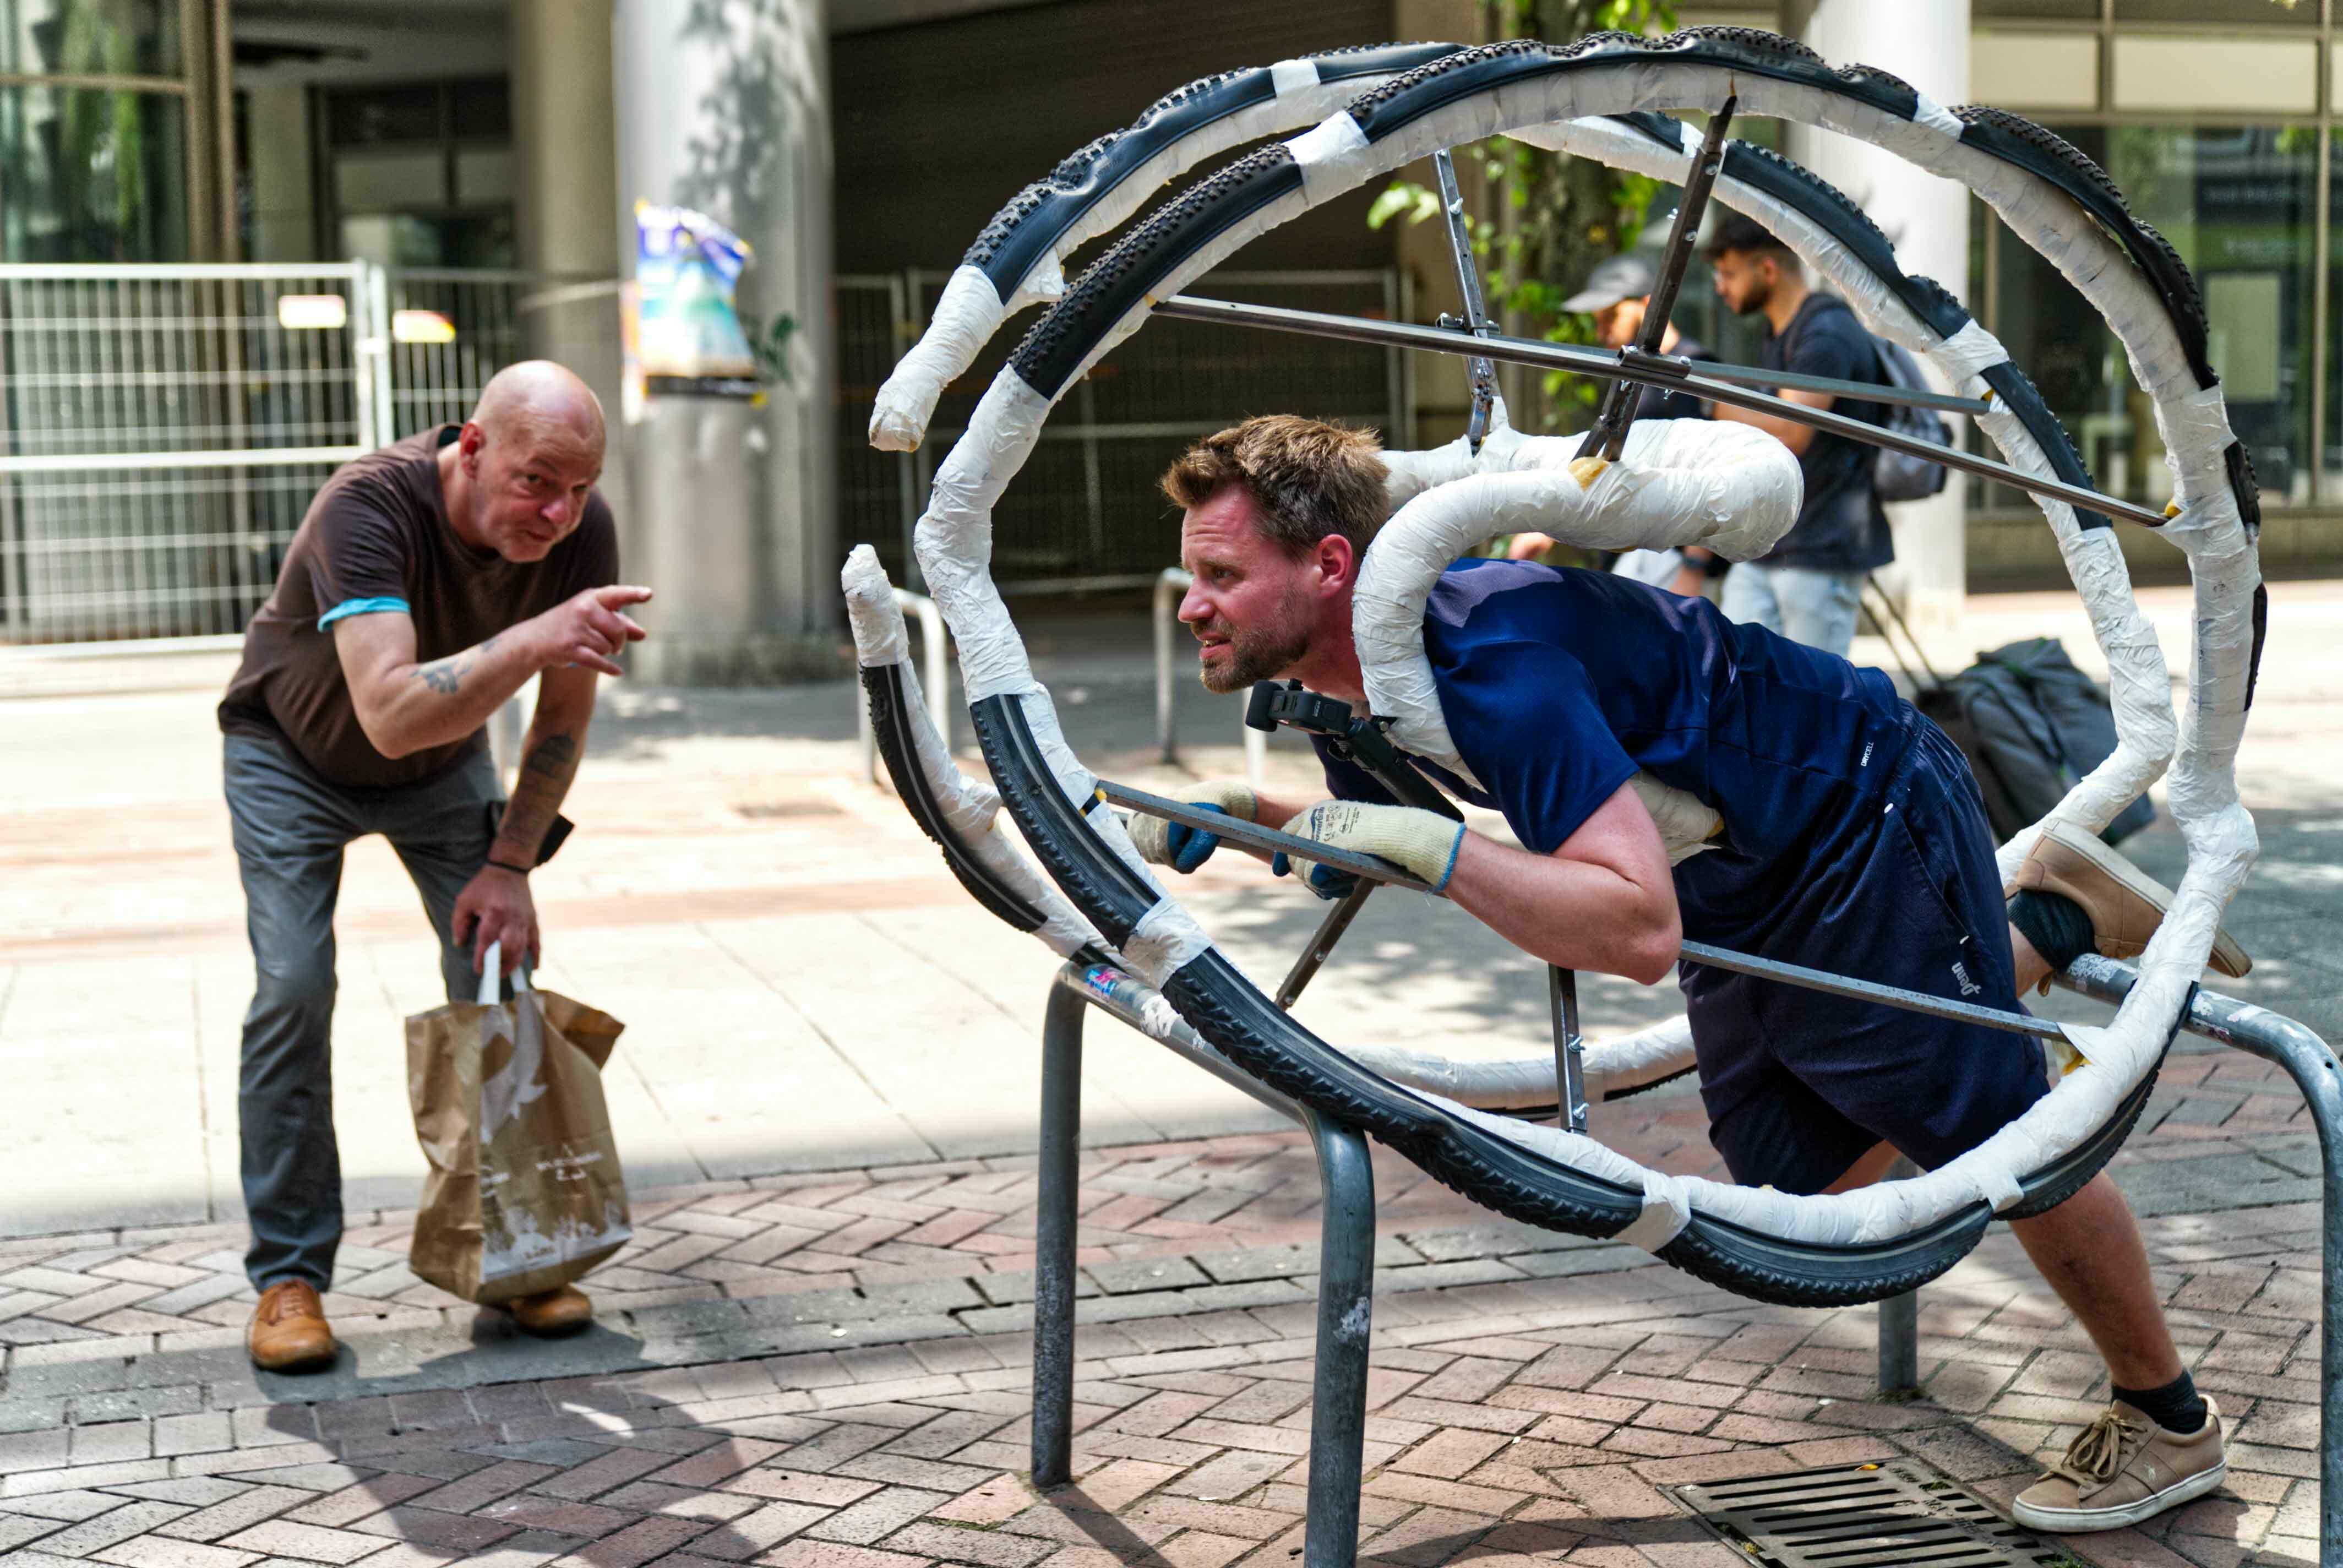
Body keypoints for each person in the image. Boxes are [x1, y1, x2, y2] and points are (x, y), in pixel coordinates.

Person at [1146, 415, 2251, 1536]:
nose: (1193, 603)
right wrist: (1264, 817)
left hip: (1857, 809)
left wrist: (1423, 852)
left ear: (1329, 566)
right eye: (1195, 576)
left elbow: (1630, 932)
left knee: (1993, 1126)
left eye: (1220, 574)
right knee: (1788, 1176)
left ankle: (2167, 1417)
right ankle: (2049, 919)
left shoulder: (1492, 662)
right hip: (1741, 859)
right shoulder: (1359, 679)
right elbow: (1384, 837)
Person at [217, 362, 652, 1373]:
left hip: (445, 770)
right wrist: (542, 629)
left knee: (496, 974)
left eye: (580, 487)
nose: (560, 511)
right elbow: (392, 709)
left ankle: (525, 1247)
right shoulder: (367, 507)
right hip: (291, 757)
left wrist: (512, 863)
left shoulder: (583, 530)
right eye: (537, 481)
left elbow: (562, 713)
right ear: (471, 447)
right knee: (292, 983)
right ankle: (289, 1275)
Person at [1703, 213, 1892, 656]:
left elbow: (1790, 431)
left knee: (1817, 702)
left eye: (1729, 273)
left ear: (1767, 269)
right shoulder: (1781, 333)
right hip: (1772, 545)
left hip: (1819, 550)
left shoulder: (1827, 333)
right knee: (1740, 679)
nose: (1720, 286)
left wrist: (1708, 401)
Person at [1507, 251, 1727, 598]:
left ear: (1649, 305)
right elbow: (1612, 459)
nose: (1601, 331)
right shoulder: (1632, 376)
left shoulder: (1695, 369)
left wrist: (1694, 567)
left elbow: (1717, 477)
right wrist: (1550, 523)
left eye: (1610, 316)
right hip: (1637, 551)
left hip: (1677, 557)